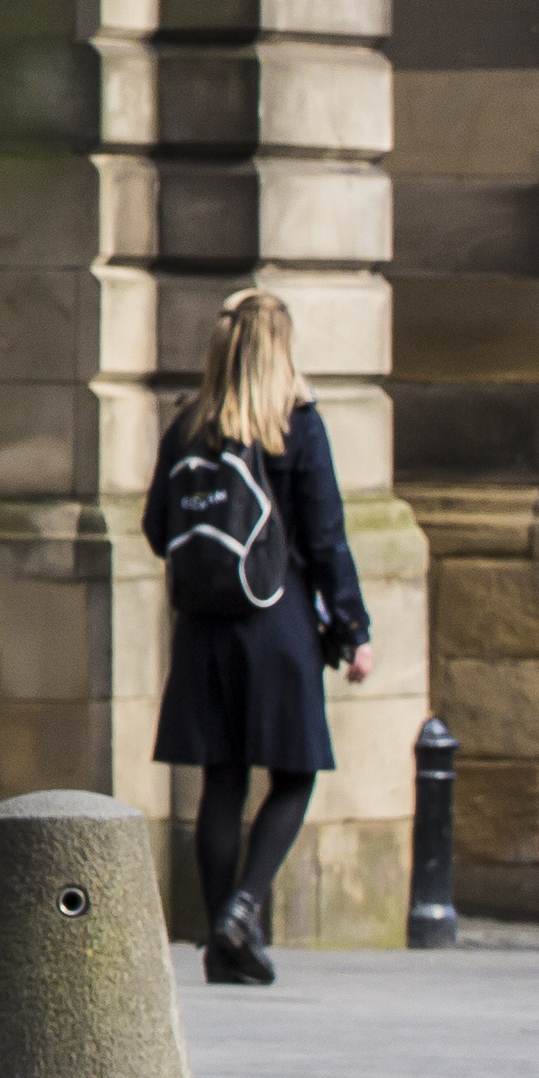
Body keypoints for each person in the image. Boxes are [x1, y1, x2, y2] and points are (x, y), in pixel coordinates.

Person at [146, 287, 376, 986]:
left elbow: (159, 529)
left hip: (203, 629)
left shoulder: (187, 427)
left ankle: (222, 940)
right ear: (281, 349)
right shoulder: (296, 425)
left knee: (222, 775)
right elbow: (327, 537)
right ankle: (241, 910)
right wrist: (353, 629)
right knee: (294, 772)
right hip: (275, 623)